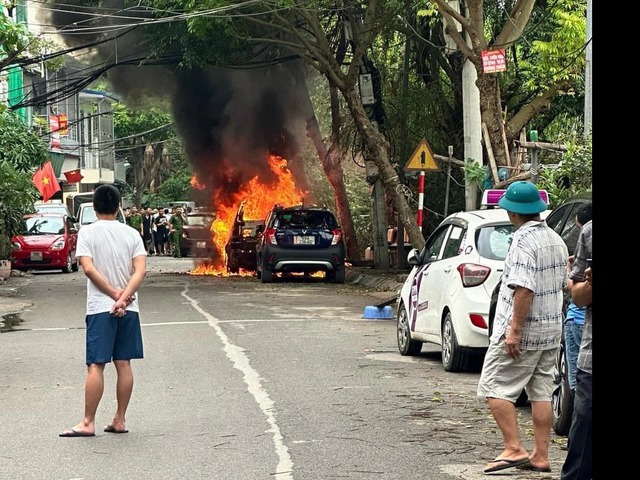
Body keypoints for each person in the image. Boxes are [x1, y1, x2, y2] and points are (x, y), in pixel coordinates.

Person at [477, 181, 568, 473]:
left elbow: (524, 289)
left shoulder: (522, 240)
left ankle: (513, 448)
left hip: (524, 332)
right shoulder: (556, 239)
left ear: (513, 212)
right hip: (551, 330)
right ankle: (540, 455)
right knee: (541, 393)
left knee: (494, 387)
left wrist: (514, 330)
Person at [59, 184, 147, 438]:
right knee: (124, 363)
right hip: (130, 308)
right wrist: (124, 298)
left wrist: (113, 296)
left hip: (100, 308)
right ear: (119, 207)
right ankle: (119, 418)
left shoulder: (88, 233)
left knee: (96, 365)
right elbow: (140, 270)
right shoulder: (131, 234)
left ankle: (88, 422)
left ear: (95, 207)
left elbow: (87, 268)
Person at [560, 219, 592, 480]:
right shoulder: (589, 232)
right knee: (582, 434)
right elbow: (578, 297)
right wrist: (589, 285)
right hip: (590, 360)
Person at [563, 204, 592, 394]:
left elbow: (572, 287)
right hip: (584, 322)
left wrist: (569, 270)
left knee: (575, 379)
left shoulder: (587, 236)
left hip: (576, 319)